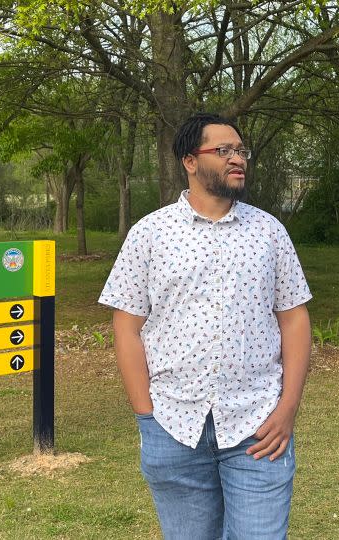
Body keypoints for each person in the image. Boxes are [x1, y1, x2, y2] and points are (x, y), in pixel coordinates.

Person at [99, 113, 312, 540]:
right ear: (190, 162)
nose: (238, 160)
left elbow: (294, 319)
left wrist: (287, 408)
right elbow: (126, 328)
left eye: (240, 150)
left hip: (258, 426)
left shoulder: (269, 232)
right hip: (173, 426)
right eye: (224, 151)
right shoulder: (150, 234)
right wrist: (146, 415)